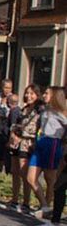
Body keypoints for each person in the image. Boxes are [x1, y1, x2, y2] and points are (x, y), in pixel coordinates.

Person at [26, 86, 67, 219]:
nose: (44, 95)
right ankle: (44, 204)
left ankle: (49, 208)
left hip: (52, 143)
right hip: (40, 142)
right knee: (30, 178)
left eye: (47, 93)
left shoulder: (60, 112)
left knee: (50, 179)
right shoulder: (44, 110)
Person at [9, 85, 42, 212]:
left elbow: (40, 128)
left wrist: (35, 141)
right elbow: (16, 125)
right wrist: (13, 135)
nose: (28, 96)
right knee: (15, 171)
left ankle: (26, 202)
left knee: (25, 172)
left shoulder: (40, 111)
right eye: (27, 93)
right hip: (18, 141)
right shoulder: (24, 109)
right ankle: (15, 199)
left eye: (32, 93)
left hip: (29, 142)